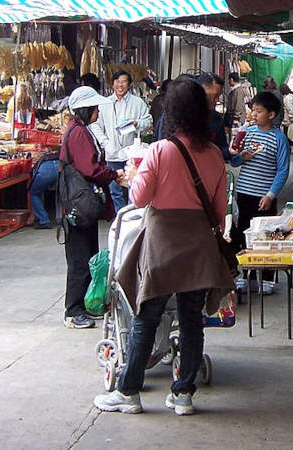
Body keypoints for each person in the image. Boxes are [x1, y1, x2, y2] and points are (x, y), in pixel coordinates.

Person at [93, 78, 234, 416]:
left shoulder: (159, 151)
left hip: (161, 244)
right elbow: (219, 211)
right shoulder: (214, 155)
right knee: (190, 319)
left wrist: (135, 174)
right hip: (199, 244)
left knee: (146, 317)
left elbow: (138, 199)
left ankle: (129, 393)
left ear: (171, 112)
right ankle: (183, 395)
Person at [60, 86, 123, 329]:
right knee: (78, 261)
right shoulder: (78, 133)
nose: (98, 111)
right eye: (95, 108)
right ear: (85, 110)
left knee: (88, 256)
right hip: (77, 206)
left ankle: (85, 305)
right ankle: (73, 310)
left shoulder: (82, 130)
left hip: (83, 205)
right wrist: (113, 174)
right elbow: (90, 168)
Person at [228, 92, 290, 253]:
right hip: (243, 193)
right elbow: (233, 161)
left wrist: (270, 195)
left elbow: (282, 170)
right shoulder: (247, 132)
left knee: (264, 238)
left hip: (264, 197)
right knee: (244, 235)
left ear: (271, 114)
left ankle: (266, 276)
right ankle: (247, 275)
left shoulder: (279, 138)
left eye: (259, 111)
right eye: (253, 110)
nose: (254, 114)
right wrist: (241, 156)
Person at [90, 70, 152, 213]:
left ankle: (131, 219)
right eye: (117, 81)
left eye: (123, 81)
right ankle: (119, 217)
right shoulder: (104, 104)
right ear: (112, 84)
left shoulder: (138, 103)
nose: (120, 85)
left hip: (131, 154)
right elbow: (95, 125)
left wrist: (137, 123)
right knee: (115, 192)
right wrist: (105, 142)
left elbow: (148, 121)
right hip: (112, 154)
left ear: (129, 85)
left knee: (133, 187)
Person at [196, 72, 230, 161]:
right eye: (213, 96)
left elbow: (221, 147)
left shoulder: (216, 119)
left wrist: (230, 151)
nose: (216, 100)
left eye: (218, 96)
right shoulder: (178, 115)